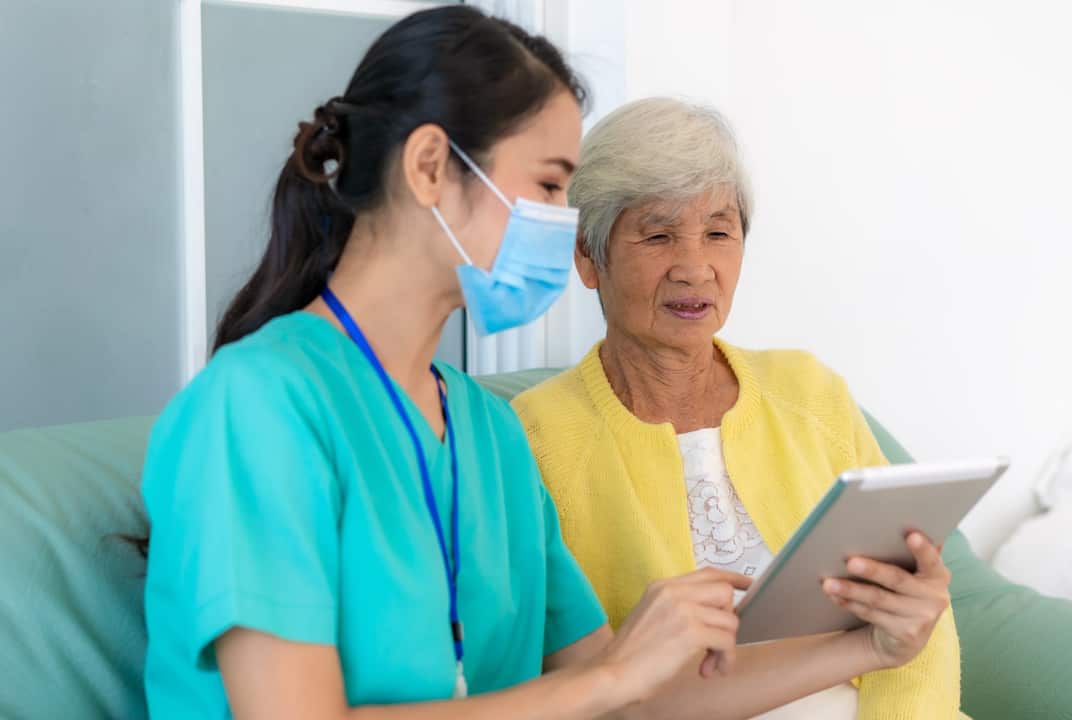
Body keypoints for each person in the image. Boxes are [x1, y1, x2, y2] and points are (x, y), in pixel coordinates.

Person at [140, 9, 752, 717]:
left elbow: (636, 700)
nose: (564, 221)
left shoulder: (490, 432)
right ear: (431, 167)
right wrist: (610, 680)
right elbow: (608, 686)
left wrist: (873, 645)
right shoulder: (255, 406)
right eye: (551, 186)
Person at [513, 97, 963, 719]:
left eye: (719, 232)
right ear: (589, 257)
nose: (696, 268)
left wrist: (920, 598)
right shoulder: (534, 440)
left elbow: (919, 629)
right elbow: (582, 688)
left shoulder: (809, 391)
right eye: (659, 234)